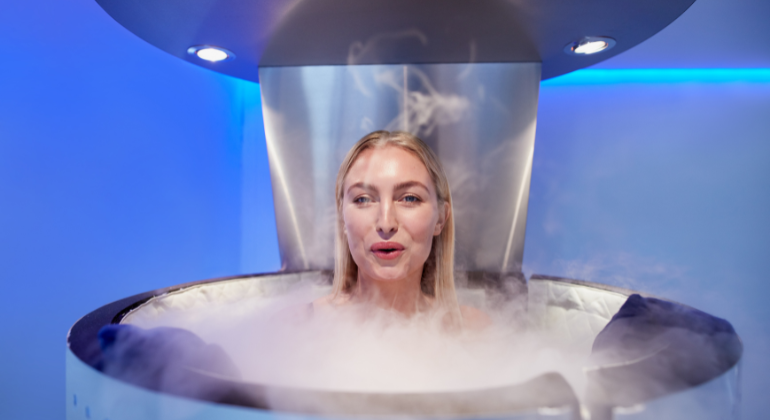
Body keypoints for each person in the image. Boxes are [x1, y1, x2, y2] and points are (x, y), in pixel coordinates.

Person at [313, 130, 490, 330]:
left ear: (440, 218)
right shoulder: (301, 328)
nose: (386, 223)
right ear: (342, 218)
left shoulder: (476, 331)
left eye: (409, 198)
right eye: (363, 199)